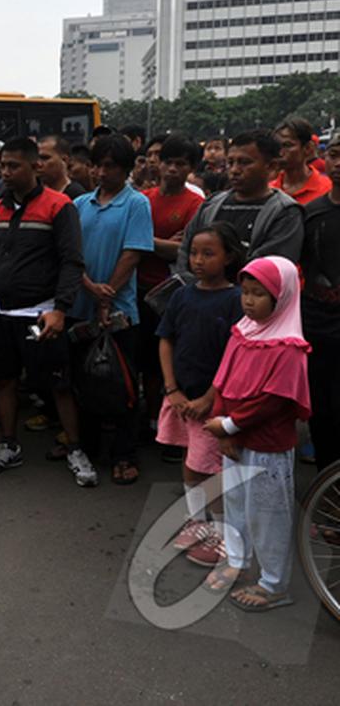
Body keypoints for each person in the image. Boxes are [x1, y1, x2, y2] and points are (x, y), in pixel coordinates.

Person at [0, 137, 91, 483]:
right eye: (2, 165)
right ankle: (9, 445)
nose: (5, 172)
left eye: (13, 166)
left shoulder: (59, 206)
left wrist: (61, 309)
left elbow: (71, 261)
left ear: (35, 166)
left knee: (58, 382)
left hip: (41, 315)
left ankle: (76, 447)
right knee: (4, 379)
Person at [203, 256, 310, 612]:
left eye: (259, 294)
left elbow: (274, 401)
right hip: (233, 439)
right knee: (235, 503)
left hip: (266, 446)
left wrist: (230, 425)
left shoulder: (289, 348)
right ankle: (238, 560)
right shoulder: (243, 330)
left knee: (267, 513)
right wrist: (222, 425)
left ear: (282, 297)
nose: (248, 301)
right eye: (245, 292)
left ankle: (274, 583)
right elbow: (222, 379)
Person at [156, 222, 245, 569]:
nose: (198, 260)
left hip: (212, 403)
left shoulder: (236, 299)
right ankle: (198, 522)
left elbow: (234, 357)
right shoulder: (182, 294)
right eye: (193, 252)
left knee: (210, 469)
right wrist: (171, 389)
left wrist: (210, 397)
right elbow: (166, 339)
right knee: (191, 463)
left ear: (229, 257)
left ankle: (222, 534)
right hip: (182, 398)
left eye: (208, 253)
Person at [70, 134, 154, 486]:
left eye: (109, 166)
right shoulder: (79, 204)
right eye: (96, 165)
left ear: (126, 169)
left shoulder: (136, 204)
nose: (100, 172)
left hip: (120, 312)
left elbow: (133, 253)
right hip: (80, 307)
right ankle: (89, 447)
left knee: (122, 385)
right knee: (84, 380)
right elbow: (70, 253)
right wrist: (89, 286)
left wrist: (106, 295)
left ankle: (124, 453)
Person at [137, 135, 205, 451]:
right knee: (144, 362)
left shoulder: (195, 204)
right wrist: (165, 244)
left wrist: (144, 240)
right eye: (168, 162)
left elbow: (187, 252)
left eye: (181, 164)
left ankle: (173, 428)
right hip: (138, 289)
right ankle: (151, 420)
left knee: (172, 363)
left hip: (174, 296)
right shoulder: (143, 198)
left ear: (191, 169)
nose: (173, 169)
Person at [174, 130, 305, 274]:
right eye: (231, 162)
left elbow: (270, 267)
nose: (235, 170)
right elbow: (186, 250)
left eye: (245, 163)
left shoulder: (285, 213)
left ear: (271, 166)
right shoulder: (211, 205)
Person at [301, 134, 340, 468]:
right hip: (316, 325)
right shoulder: (310, 213)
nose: (339, 164)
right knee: (321, 410)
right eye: (335, 155)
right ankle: (326, 494)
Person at [272, 117, 332, 205]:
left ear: (308, 148)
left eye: (288, 145)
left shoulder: (328, 189)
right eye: (277, 146)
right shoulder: (269, 190)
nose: (281, 153)